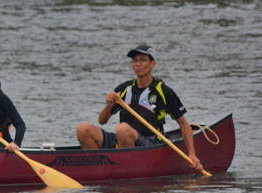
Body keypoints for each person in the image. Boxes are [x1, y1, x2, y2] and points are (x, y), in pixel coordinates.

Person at [76, 43, 204, 172]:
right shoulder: (124, 89)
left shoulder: (164, 92)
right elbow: (102, 121)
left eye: (142, 60)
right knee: (83, 129)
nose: (137, 64)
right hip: (123, 140)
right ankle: (100, 171)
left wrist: (192, 154)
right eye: (135, 61)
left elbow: (183, 125)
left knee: (122, 129)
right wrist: (108, 106)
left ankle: (125, 171)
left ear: (152, 64)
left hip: (152, 144)